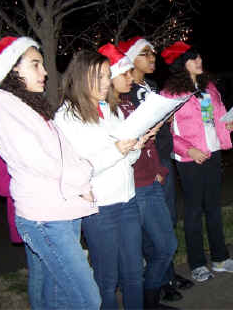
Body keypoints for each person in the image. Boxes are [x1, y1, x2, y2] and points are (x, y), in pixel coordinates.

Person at [0, 36, 101, 309]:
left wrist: (84, 170)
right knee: (87, 299)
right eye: (35, 64)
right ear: (12, 69)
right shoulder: (0, 103)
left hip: (62, 210)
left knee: (56, 296)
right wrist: (80, 180)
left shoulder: (28, 106)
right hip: (45, 217)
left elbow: (64, 151)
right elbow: (35, 158)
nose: (44, 72)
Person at [54, 50, 144, 309]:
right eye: (99, 76)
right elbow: (80, 169)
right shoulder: (67, 116)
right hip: (100, 208)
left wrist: (134, 146)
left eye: (107, 75)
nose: (106, 82)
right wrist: (118, 150)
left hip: (128, 201)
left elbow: (129, 160)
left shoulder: (110, 109)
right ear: (81, 77)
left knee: (134, 273)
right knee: (106, 279)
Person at [99, 43, 178, 309]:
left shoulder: (130, 101)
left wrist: (159, 168)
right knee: (131, 260)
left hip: (151, 181)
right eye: (125, 73)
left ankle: (150, 297)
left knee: (167, 245)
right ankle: (147, 301)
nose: (132, 78)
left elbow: (147, 142)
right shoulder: (104, 110)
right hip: (133, 187)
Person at [160, 41, 233, 282]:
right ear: (181, 63)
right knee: (194, 210)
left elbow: (218, 115)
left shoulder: (209, 86)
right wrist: (189, 150)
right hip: (190, 159)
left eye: (199, 57)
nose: (199, 61)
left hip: (213, 152)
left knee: (214, 207)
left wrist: (229, 123)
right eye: (193, 58)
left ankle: (221, 258)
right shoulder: (170, 94)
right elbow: (165, 132)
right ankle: (197, 263)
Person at [117, 37, 193, 300]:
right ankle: (159, 282)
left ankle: (166, 275)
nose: (152, 58)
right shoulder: (122, 92)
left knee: (167, 221)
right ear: (130, 59)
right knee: (151, 229)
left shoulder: (151, 87)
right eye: (145, 54)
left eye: (153, 53)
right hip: (143, 165)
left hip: (161, 159)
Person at [0, 158, 43, 309]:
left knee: (53, 274)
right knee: (39, 271)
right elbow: (2, 187)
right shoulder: (9, 145)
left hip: (53, 216)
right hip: (29, 218)